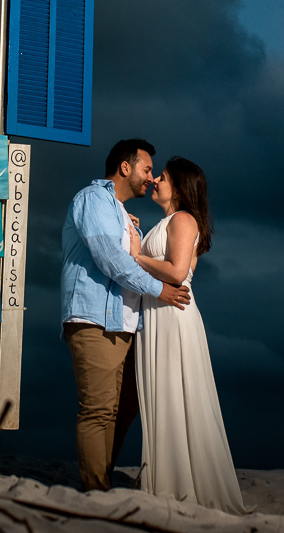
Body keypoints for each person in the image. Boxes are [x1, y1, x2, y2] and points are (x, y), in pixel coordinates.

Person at [60, 139, 191, 492]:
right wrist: (158, 289)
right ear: (125, 167)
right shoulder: (93, 199)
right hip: (95, 320)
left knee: (112, 413)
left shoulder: (117, 211)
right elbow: (110, 260)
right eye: (147, 169)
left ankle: (100, 488)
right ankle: (95, 492)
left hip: (121, 323)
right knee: (97, 411)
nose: (151, 178)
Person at [131, 156, 250, 512]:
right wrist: (137, 238)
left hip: (172, 315)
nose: (155, 181)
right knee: (163, 395)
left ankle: (177, 485)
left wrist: (136, 256)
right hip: (159, 314)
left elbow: (178, 271)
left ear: (180, 189)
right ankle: (168, 479)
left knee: (174, 393)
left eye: (162, 177)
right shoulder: (168, 221)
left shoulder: (183, 219)